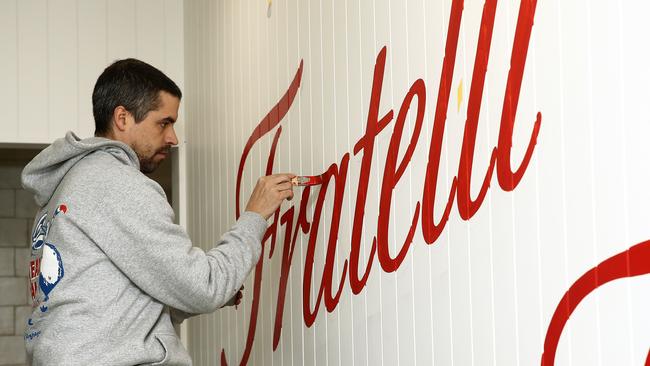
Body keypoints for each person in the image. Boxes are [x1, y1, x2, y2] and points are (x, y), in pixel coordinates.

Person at [21, 58, 294, 365]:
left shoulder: (66, 189)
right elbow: (204, 287)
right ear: (122, 118)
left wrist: (190, 295)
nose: (173, 138)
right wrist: (254, 216)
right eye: (164, 123)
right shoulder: (117, 183)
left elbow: (112, 299)